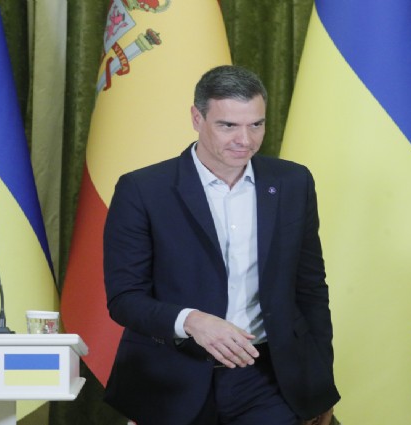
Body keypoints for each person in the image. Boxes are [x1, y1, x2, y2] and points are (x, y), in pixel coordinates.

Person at [103, 65, 340, 425]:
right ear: (197, 118)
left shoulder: (293, 182)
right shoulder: (143, 190)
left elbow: (310, 290)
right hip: (171, 378)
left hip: (267, 378)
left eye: (256, 124)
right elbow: (124, 298)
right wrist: (191, 321)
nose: (245, 140)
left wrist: (320, 386)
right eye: (228, 125)